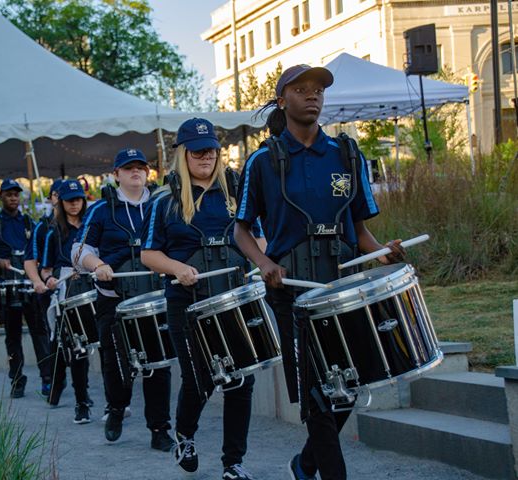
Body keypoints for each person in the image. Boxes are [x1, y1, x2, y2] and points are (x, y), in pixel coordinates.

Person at [233, 64, 405, 480]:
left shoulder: (347, 155)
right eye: (301, 89)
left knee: (351, 385)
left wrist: (382, 252)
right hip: (291, 292)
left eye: (318, 90)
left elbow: (359, 229)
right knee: (318, 397)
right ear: (282, 100)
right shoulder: (262, 161)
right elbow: (239, 229)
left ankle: (305, 463)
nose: (313, 96)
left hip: (344, 288)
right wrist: (264, 262)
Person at [141, 118, 262, 480]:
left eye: (210, 149)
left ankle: (233, 462)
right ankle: (185, 436)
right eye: (197, 151)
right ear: (183, 155)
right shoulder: (165, 199)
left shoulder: (237, 191)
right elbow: (149, 254)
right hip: (187, 303)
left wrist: (259, 262)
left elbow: (258, 239)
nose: (205, 156)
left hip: (234, 300)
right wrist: (177, 268)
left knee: (241, 380)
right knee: (199, 378)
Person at [72, 148, 174, 451]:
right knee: (116, 364)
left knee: (158, 364)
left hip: (155, 299)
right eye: (128, 168)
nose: (135, 173)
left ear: (147, 172)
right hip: (113, 301)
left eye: (140, 168)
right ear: (116, 174)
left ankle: (159, 429)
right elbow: (79, 251)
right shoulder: (101, 209)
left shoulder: (162, 205)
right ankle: (116, 409)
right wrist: (98, 266)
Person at [0, 179, 53, 399]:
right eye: (8, 194)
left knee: (40, 331)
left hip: (29, 283)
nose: (13, 198)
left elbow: (38, 251)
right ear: (0, 197)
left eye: (16, 195)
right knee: (13, 335)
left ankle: (47, 378)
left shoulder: (29, 222)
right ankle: (17, 379)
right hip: (6, 285)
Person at [40, 179, 92, 424]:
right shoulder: (53, 231)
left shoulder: (91, 226)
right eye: (70, 200)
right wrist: (49, 279)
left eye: (78, 199)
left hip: (91, 284)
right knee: (73, 346)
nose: (75, 204)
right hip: (66, 288)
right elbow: (45, 268)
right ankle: (81, 403)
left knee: (76, 345)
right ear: (61, 203)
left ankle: (59, 388)